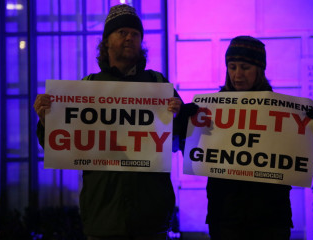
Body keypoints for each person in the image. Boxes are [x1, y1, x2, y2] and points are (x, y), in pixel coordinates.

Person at [33, 4, 194, 240]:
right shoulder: (86, 89)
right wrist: (46, 120)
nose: (130, 38)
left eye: (135, 34)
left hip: (150, 219)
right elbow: (56, 145)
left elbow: (180, 142)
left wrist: (179, 117)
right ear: (106, 41)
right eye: (122, 32)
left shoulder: (158, 85)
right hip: (104, 218)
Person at [205, 36, 313, 240]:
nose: (237, 75)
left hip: (270, 218)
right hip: (225, 216)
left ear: (259, 70)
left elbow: (306, 159)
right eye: (232, 67)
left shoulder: (283, 111)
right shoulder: (213, 110)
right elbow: (194, 152)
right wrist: (186, 121)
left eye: (245, 67)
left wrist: (312, 132)